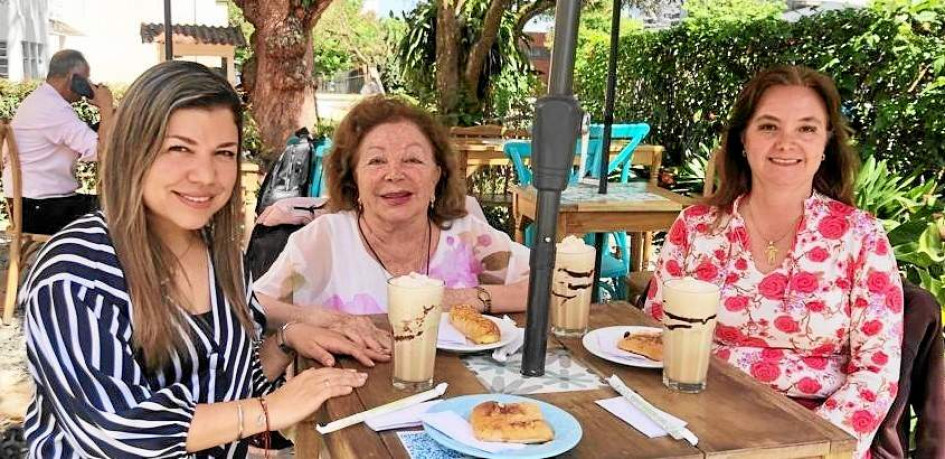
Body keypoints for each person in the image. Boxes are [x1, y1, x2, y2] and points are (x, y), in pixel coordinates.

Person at [22, 61, 383, 457]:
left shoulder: (221, 255)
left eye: (223, 153)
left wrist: (286, 340)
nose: (206, 175)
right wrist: (269, 410)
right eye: (180, 148)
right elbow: (118, 430)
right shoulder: (75, 274)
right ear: (133, 149)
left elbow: (229, 386)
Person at [643, 66, 902, 458]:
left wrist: (817, 449)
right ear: (743, 139)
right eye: (768, 126)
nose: (786, 143)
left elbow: (876, 374)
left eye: (807, 128)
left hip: (814, 433)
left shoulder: (861, 237)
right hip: (695, 425)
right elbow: (653, 338)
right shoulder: (696, 228)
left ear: (827, 142)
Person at [254, 95, 530, 339]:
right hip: (353, 391)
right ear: (353, 178)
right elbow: (252, 305)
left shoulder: (463, 234)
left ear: (437, 173)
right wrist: (315, 319)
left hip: (458, 390)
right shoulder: (325, 239)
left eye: (412, 160)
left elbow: (550, 283)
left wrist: (471, 298)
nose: (395, 174)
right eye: (376, 161)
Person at [5, 49, 113, 234]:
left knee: (110, 204)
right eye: (86, 79)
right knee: (122, 208)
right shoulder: (54, 109)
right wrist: (105, 106)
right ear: (74, 78)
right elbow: (103, 151)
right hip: (43, 209)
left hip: (28, 205)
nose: (89, 85)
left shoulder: (41, 100)